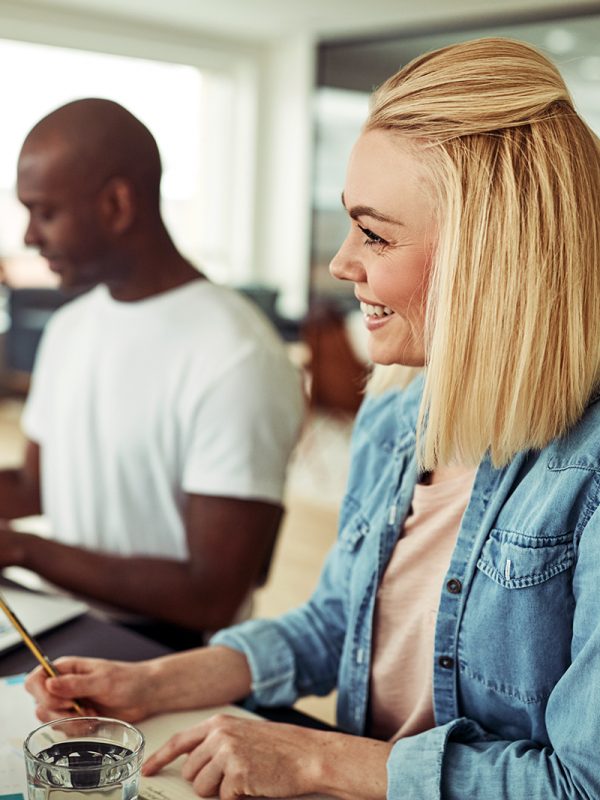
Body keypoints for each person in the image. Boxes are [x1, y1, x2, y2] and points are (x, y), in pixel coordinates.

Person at [26, 37, 600, 798]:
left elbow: (582, 784)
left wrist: (313, 757)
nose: (338, 263)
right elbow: (336, 621)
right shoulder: (399, 410)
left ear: (489, 256)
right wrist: (157, 683)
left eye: (374, 233)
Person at [0, 98, 304, 646]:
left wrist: (23, 549)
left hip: (169, 655)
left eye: (45, 213)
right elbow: (34, 486)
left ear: (117, 205)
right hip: (63, 621)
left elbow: (211, 594)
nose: (28, 237)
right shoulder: (70, 327)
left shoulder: (237, 355)